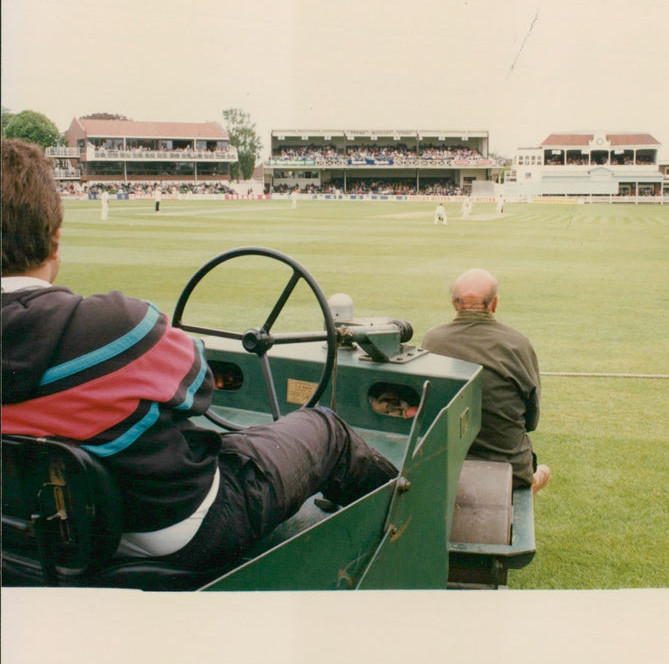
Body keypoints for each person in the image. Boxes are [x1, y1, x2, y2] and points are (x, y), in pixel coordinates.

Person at [1, 139, 397, 572]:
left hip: (26, 536)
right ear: (55, 240)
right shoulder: (118, 326)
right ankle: (399, 532)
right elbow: (198, 392)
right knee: (327, 429)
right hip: (171, 531)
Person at [422, 268, 550, 495]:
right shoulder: (517, 344)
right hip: (510, 469)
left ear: (454, 304)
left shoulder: (432, 340)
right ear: (494, 304)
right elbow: (531, 420)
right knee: (544, 472)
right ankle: (532, 483)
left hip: (445, 462)